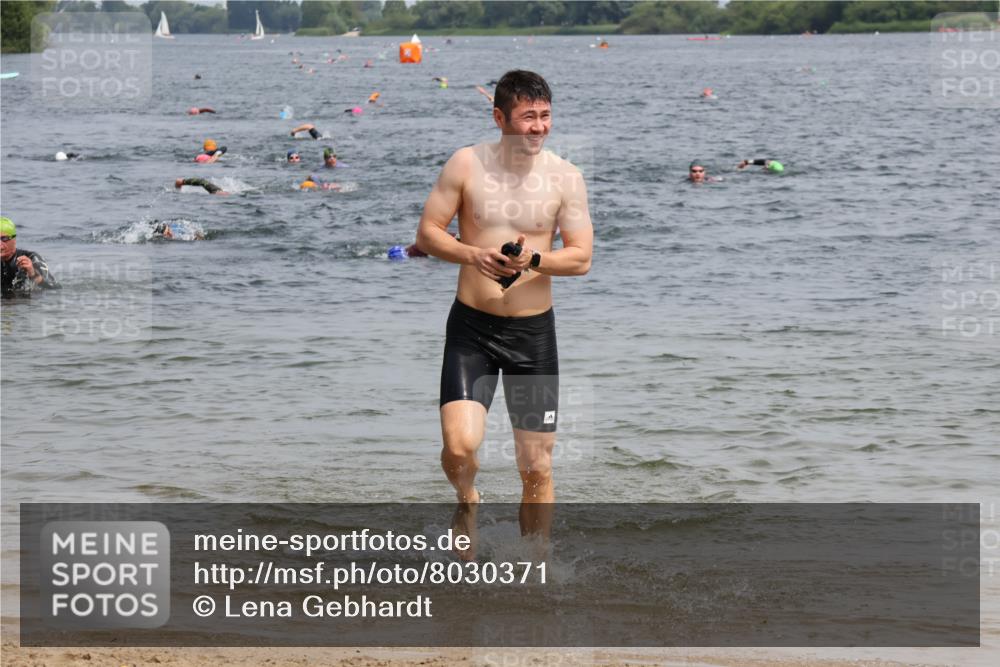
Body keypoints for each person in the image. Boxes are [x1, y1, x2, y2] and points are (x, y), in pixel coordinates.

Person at [415, 69, 593, 552]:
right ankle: (467, 499)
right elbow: (427, 233)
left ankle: (537, 567)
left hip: (533, 337)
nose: (538, 127)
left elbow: (580, 257)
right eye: (528, 117)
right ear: (499, 117)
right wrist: (473, 253)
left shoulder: (565, 177)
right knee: (459, 448)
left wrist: (533, 259)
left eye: (545, 116)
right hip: (471, 330)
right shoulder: (466, 165)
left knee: (536, 466)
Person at [1, 216, 59, 298]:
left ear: (14, 240)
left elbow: (55, 289)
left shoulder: (31, 258)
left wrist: (33, 274)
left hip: (24, 305)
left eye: (4, 238)